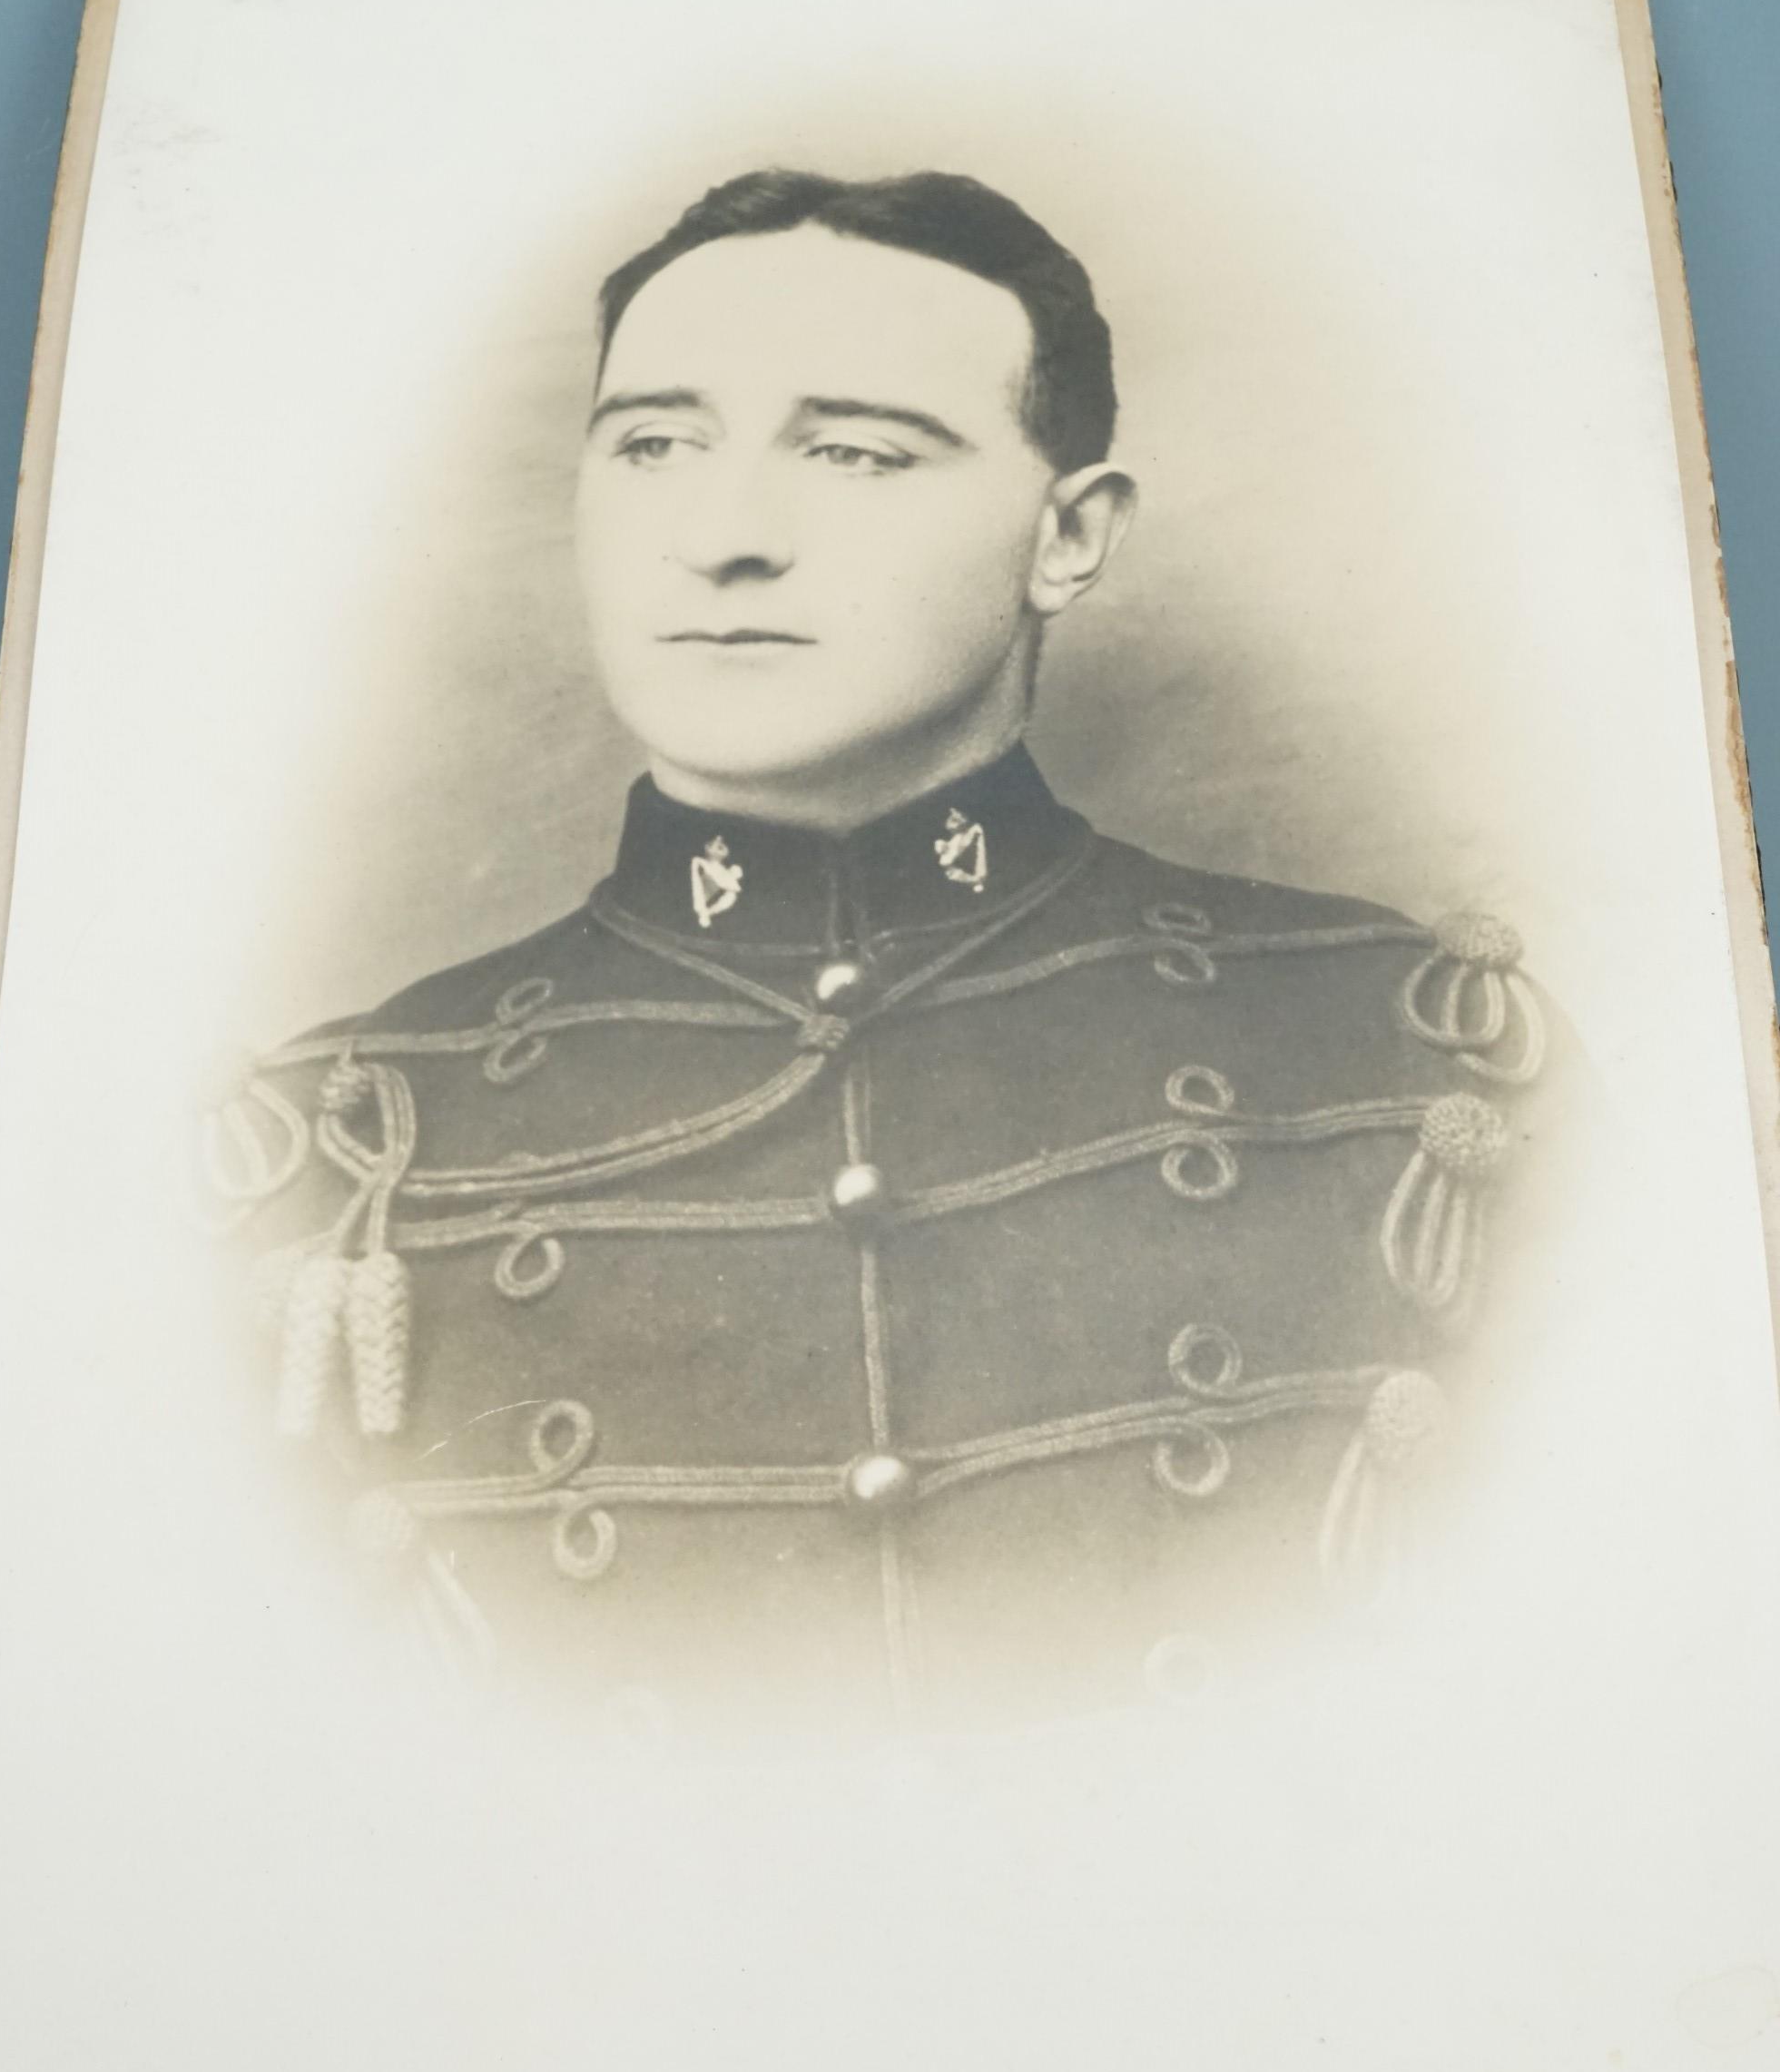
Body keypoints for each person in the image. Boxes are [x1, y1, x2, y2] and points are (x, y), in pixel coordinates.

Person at [211, 167, 1552, 1731]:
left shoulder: (1416, 1064)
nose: (722, 537)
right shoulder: (335, 1141)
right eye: (652, 444)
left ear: (1070, 538)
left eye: (852, 453)